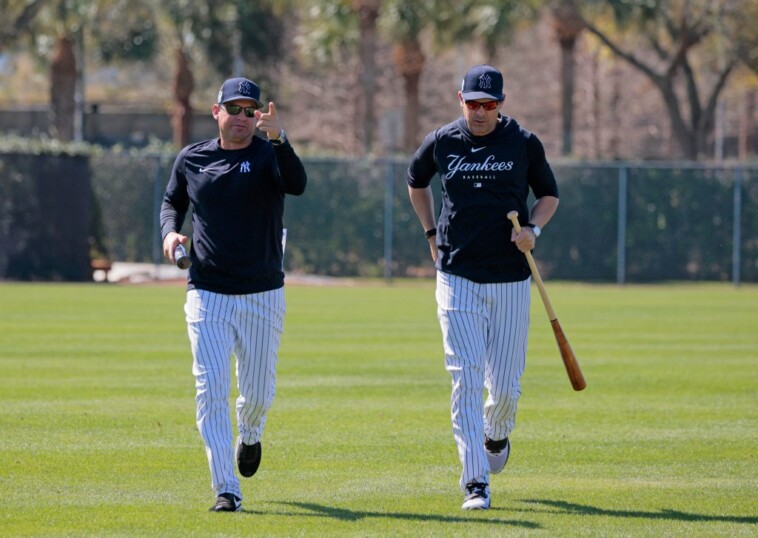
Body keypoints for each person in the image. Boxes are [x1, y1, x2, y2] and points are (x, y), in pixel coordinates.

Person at [406, 65, 559, 510]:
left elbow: (548, 195)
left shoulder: (523, 143)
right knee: (465, 378)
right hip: (456, 274)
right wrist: (431, 234)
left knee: (506, 387)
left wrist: (533, 229)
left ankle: (496, 433)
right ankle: (475, 481)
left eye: (488, 105)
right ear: (461, 100)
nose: (479, 112)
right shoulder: (442, 141)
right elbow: (416, 182)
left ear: (501, 104)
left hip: (511, 277)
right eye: (473, 103)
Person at [160, 77, 307, 512]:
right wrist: (170, 235)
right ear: (216, 111)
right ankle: (226, 488)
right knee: (210, 389)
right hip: (207, 291)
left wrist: (279, 137)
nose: (243, 118)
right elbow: (172, 203)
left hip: (262, 292)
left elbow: (297, 184)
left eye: (251, 110)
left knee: (258, 392)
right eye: (235, 109)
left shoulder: (267, 155)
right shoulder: (193, 158)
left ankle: (252, 431)